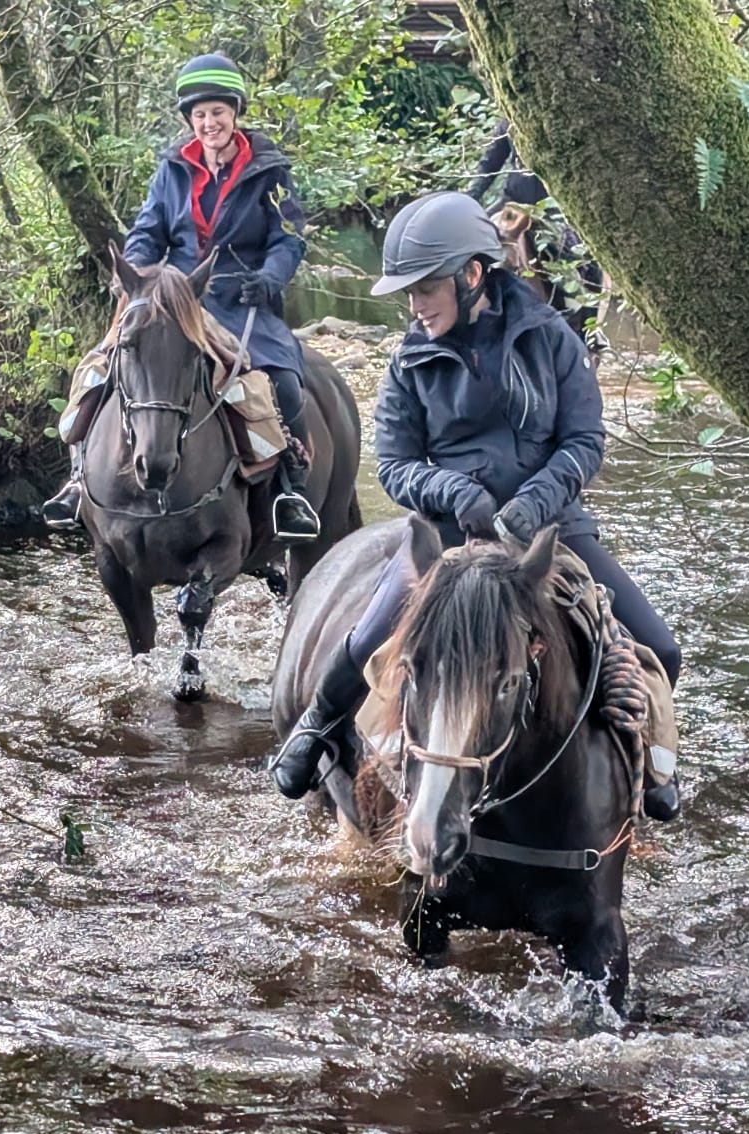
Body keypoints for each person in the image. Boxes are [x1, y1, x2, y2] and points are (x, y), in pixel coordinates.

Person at [268, 191, 682, 819]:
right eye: (407, 293)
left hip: (552, 531)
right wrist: (459, 494)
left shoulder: (551, 339)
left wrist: (538, 499)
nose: (414, 305)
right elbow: (397, 465)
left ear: (471, 276)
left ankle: (649, 761)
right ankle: (317, 727)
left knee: (660, 647)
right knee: (364, 639)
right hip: (447, 535)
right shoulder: (410, 360)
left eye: (424, 288)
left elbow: (584, 440)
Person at [42, 53, 318, 539]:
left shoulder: (271, 170)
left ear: (235, 113)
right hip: (174, 297)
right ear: (190, 120)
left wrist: (271, 277)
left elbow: (290, 237)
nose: (209, 123)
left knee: (286, 384)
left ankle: (287, 492)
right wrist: (136, 275)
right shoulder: (172, 171)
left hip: (242, 296)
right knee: (98, 369)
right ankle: (78, 480)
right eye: (199, 115)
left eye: (217, 112)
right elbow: (149, 231)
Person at [467, 119, 605, 342]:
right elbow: (488, 166)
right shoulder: (508, 122)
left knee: (586, 258)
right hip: (512, 204)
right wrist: (468, 199)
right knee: (473, 242)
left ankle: (590, 333)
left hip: (554, 210)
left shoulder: (560, 120)